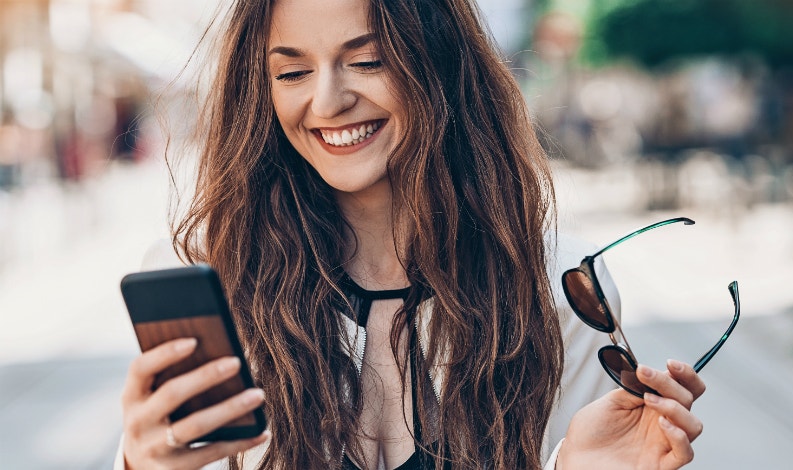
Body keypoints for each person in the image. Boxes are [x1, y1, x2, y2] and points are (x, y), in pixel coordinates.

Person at [117, 0, 706, 468]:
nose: (328, 100)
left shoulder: (561, 285)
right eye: (292, 72)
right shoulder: (207, 272)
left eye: (368, 61)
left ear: (438, 61)